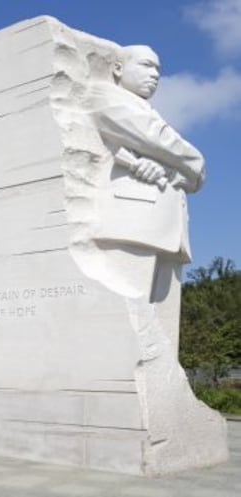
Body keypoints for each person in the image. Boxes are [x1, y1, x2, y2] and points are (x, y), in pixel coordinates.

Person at [83, 44, 206, 355]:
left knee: (163, 336)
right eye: (147, 66)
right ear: (118, 69)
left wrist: (169, 167)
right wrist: (192, 163)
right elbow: (156, 138)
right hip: (132, 221)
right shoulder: (103, 95)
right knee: (128, 329)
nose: (155, 75)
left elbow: (188, 174)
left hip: (168, 227)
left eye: (159, 70)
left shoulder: (148, 110)